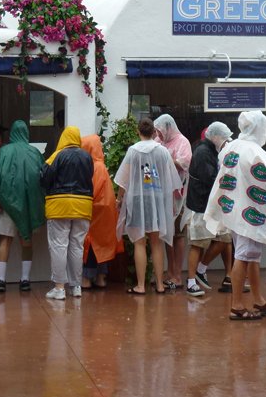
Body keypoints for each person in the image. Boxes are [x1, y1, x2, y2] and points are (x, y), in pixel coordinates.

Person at [204, 111, 266, 320]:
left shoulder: (232, 147)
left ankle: (259, 300)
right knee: (243, 256)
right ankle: (237, 306)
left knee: (251, 257)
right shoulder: (255, 151)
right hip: (250, 213)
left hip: (234, 211)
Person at [115, 117, 182, 295]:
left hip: (137, 199)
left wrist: (119, 198)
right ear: (154, 132)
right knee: (156, 243)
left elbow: (124, 178)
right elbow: (172, 178)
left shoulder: (133, 151)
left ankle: (141, 285)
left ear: (138, 131)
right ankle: (160, 285)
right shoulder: (163, 151)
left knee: (139, 242)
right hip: (158, 199)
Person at [0, 120, 45, 292]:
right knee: (26, 240)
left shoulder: (4, 151)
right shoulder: (35, 152)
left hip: (7, 203)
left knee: (5, 240)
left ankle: (0, 280)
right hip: (27, 204)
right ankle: (25, 280)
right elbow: (42, 177)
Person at [40, 126, 94, 300]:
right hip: (83, 206)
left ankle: (59, 288)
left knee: (59, 246)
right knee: (77, 246)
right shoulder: (87, 157)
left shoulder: (57, 155)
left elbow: (44, 177)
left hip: (60, 206)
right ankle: (76, 286)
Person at [185, 121, 234, 297]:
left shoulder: (212, 151)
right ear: (214, 136)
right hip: (201, 206)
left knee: (225, 239)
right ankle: (191, 282)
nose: (226, 142)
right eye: (224, 138)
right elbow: (211, 179)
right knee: (197, 244)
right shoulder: (203, 152)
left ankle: (201, 268)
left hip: (213, 206)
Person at [154, 114, 192, 290]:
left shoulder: (182, 142)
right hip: (162, 196)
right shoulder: (158, 141)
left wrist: (168, 158)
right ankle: (169, 272)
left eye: (160, 132)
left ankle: (177, 274)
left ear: (168, 128)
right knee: (166, 234)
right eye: (157, 132)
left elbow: (184, 163)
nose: (159, 135)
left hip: (178, 197)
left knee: (178, 234)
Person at [81, 134, 123, 290]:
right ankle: (101, 277)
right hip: (106, 212)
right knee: (103, 245)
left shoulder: (93, 167)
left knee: (91, 245)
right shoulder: (101, 166)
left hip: (95, 211)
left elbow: (91, 191)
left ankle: (87, 278)